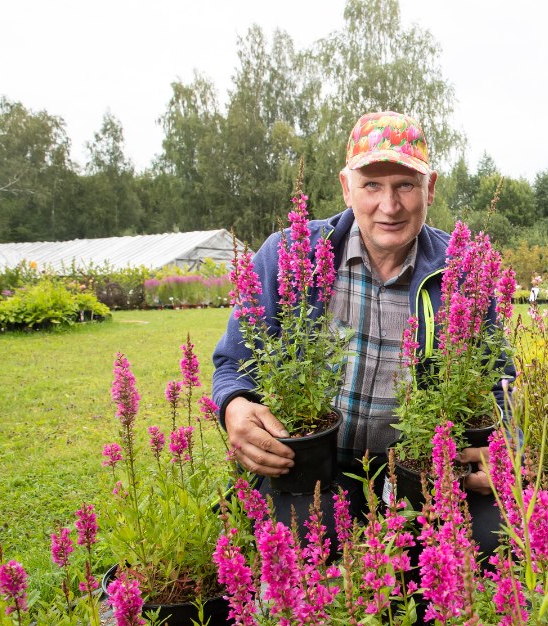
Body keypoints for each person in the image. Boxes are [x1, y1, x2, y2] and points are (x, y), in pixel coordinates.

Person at [211, 111, 507, 554]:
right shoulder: (290, 254)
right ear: (346, 187)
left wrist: (504, 450)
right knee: (305, 553)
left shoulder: (462, 271)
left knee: (494, 542)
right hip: (315, 469)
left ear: (430, 188)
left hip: (421, 468)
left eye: (405, 185)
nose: (389, 206)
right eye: (372, 185)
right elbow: (233, 363)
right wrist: (235, 406)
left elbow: (501, 381)